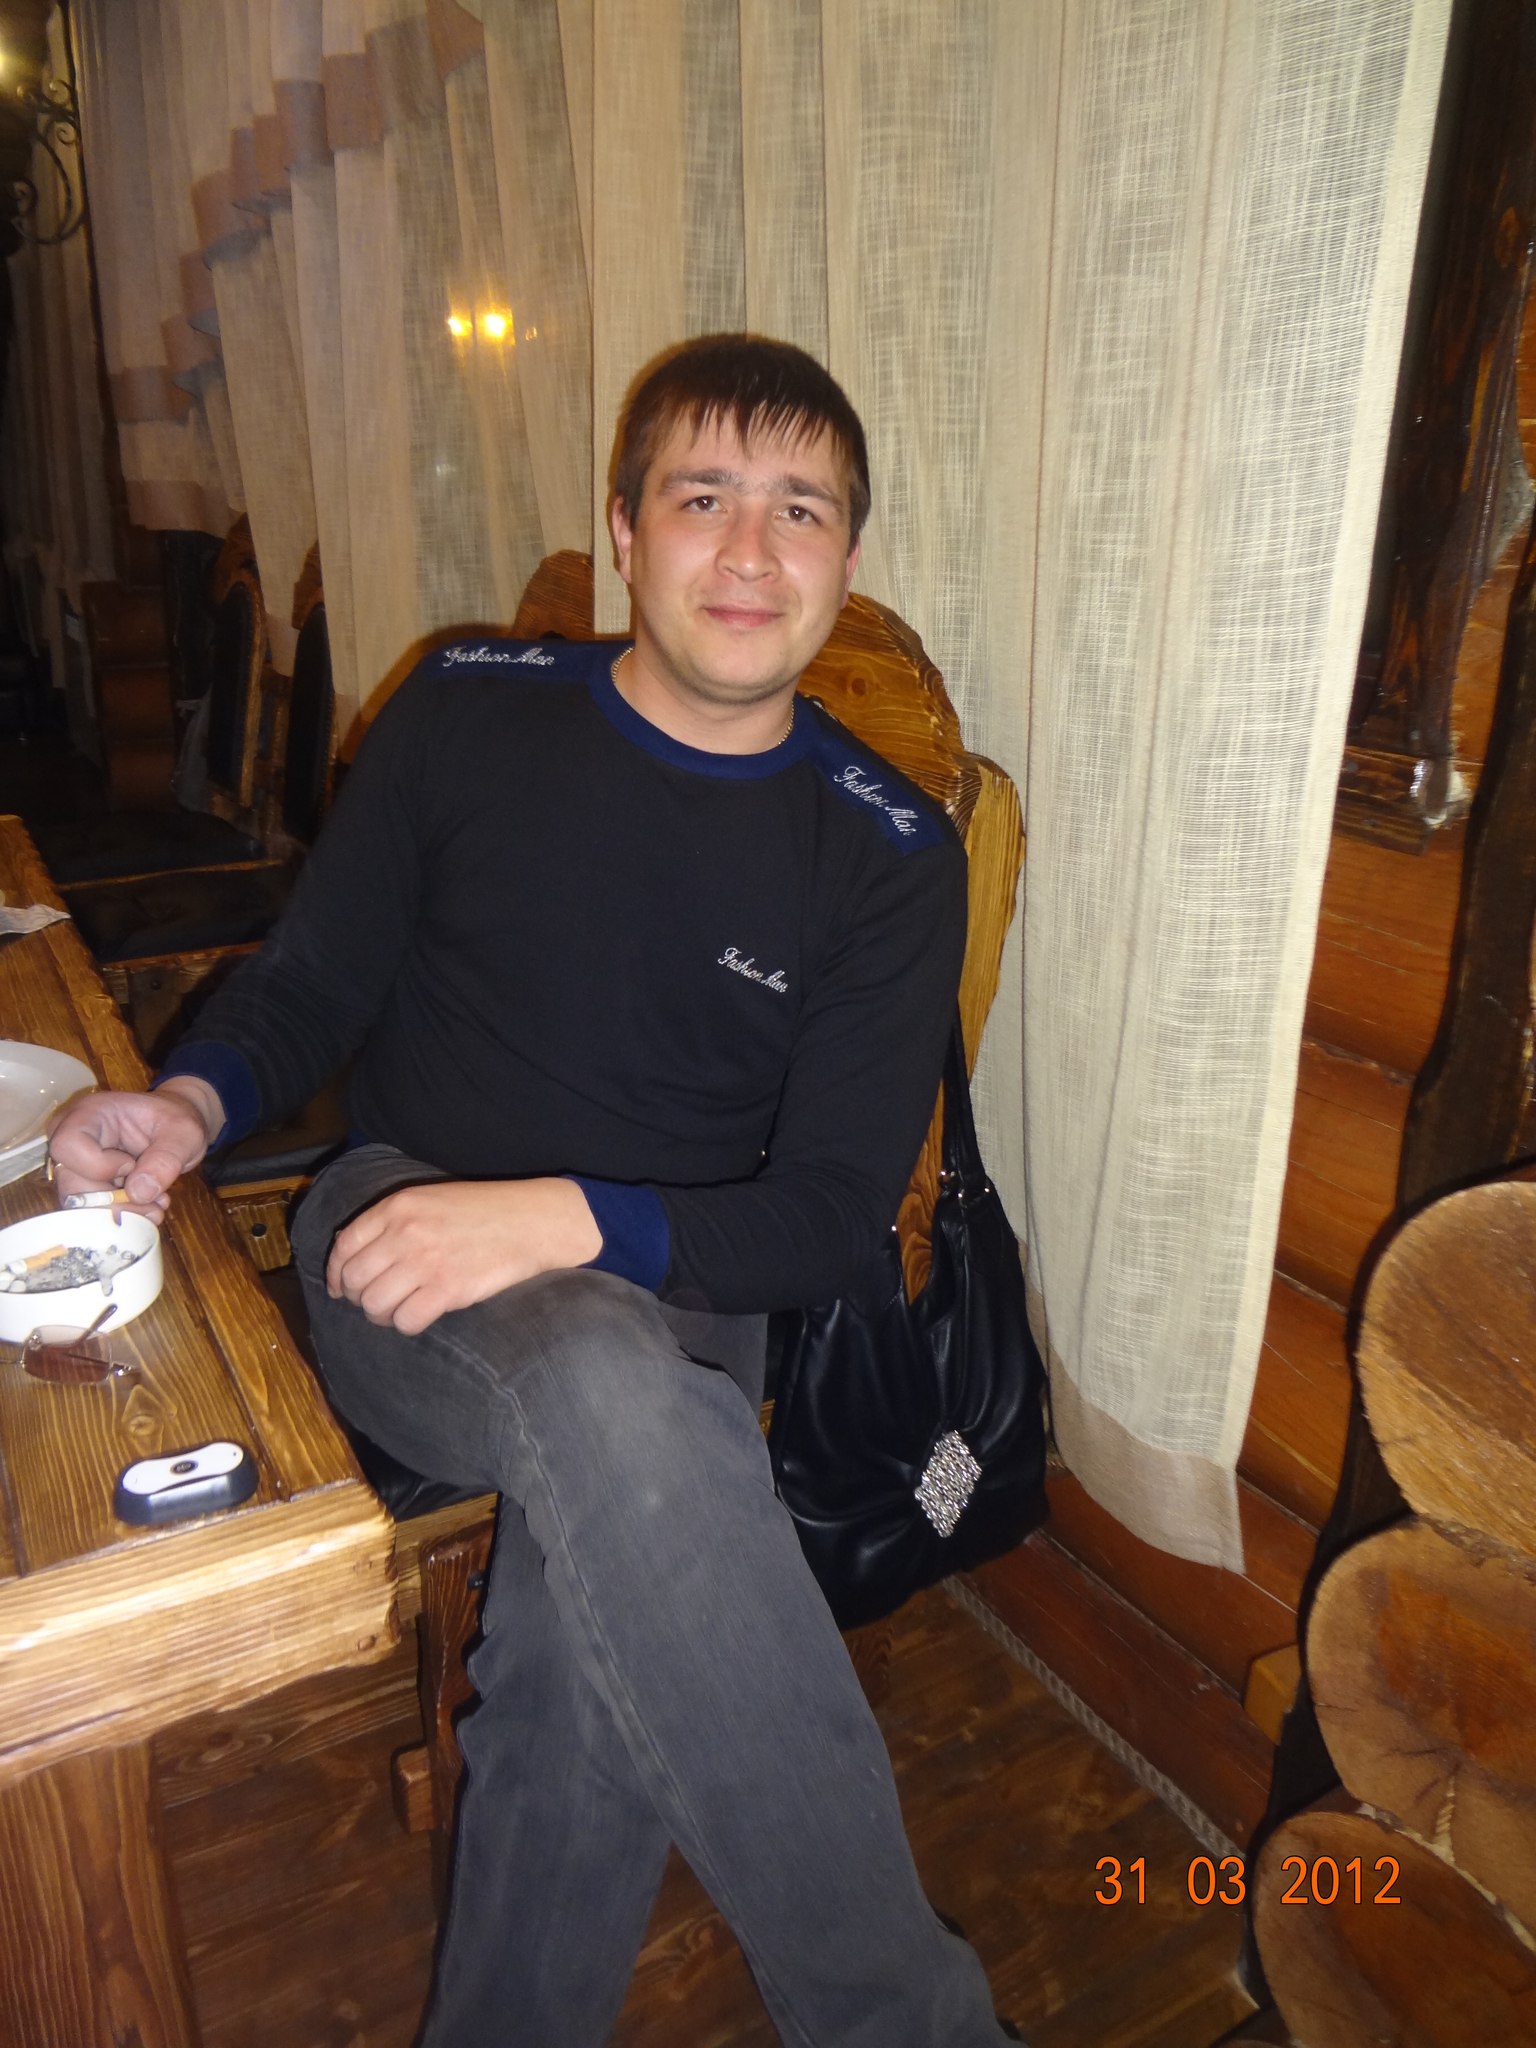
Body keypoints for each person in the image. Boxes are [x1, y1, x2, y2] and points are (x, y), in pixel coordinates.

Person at [50, 336, 1022, 2047]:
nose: (750, 550)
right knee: (601, 1378)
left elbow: (826, 1222)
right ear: (627, 531)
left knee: (583, 1638)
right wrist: (191, 1100)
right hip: (400, 1243)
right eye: (703, 498)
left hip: (688, 1290)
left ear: (847, 557)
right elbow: (316, 980)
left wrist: (571, 1217)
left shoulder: (886, 852)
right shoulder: (470, 710)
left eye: (800, 511)